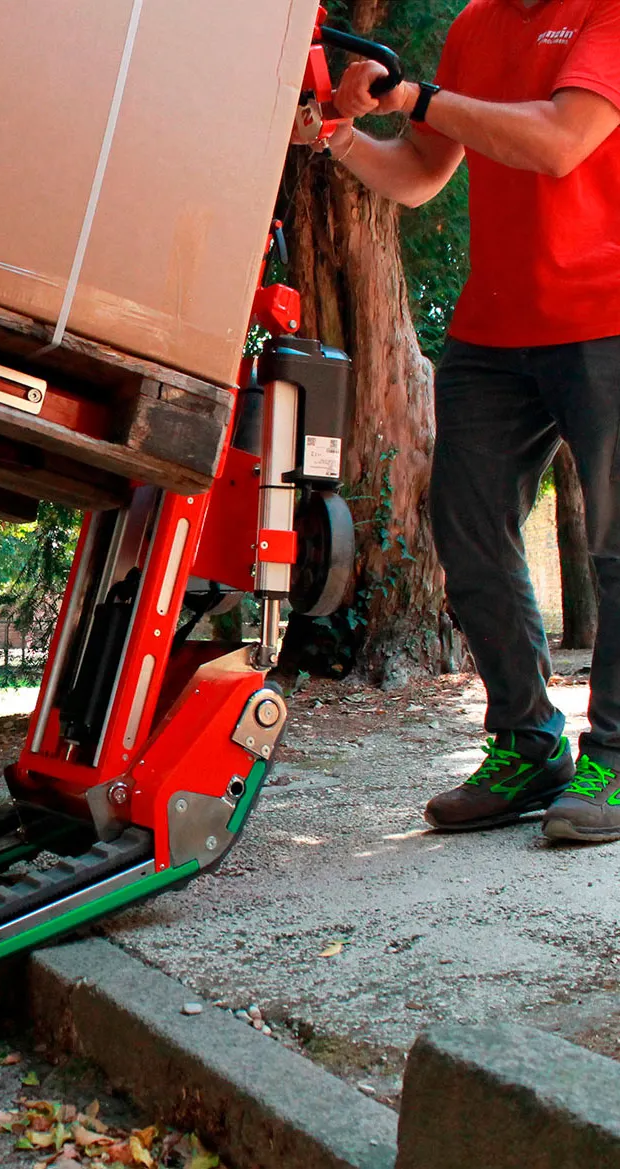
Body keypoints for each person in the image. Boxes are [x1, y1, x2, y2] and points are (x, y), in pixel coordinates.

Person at [312, 0, 620, 841]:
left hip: (605, 317)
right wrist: (341, 137)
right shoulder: (476, 27)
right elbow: (421, 171)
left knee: (616, 544)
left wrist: (414, 96)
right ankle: (529, 746)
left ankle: (617, 763)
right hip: (495, 330)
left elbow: (560, 140)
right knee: (466, 525)